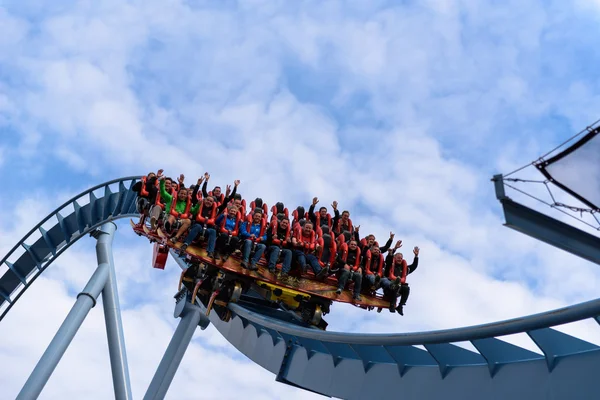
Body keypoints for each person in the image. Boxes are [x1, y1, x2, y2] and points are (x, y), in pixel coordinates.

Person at [382, 244, 420, 315]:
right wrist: (390, 253)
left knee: (406, 288)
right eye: (398, 258)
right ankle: (392, 304)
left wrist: (416, 256)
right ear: (394, 258)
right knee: (395, 285)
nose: (400, 259)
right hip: (389, 288)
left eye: (401, 258)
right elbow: (388, 260)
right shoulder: (390, 265)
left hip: (398, 290)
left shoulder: (405, 269)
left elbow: (413, 266)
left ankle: (400, 306)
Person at [158, 173, 192, 243]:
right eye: (181, 193)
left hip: (179, 220)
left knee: (188, 221)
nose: (183, 195)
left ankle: (176, 237)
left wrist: (199, 205)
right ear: (178, 194)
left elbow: (194, 211)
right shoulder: (171, 198)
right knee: (172, 216)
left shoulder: (186, 204)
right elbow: (163, 192)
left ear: (186, 196)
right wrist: (162, 182)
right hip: (168, 217)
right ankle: (168, 228)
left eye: (184, 194)